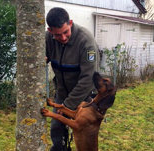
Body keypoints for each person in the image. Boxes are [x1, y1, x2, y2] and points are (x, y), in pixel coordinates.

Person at [45, 7, 99, 151]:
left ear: (70, 23)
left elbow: (88, 79)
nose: (62, 38)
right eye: (57, 35)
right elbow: (42, 57)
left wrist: (68, 105)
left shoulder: (86, 41)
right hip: (62, 93)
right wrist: (42, 58)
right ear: (50, 31)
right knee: (56, 128)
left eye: (65, 32)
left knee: (83, 133)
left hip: (84, 97)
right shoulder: (47, 38)